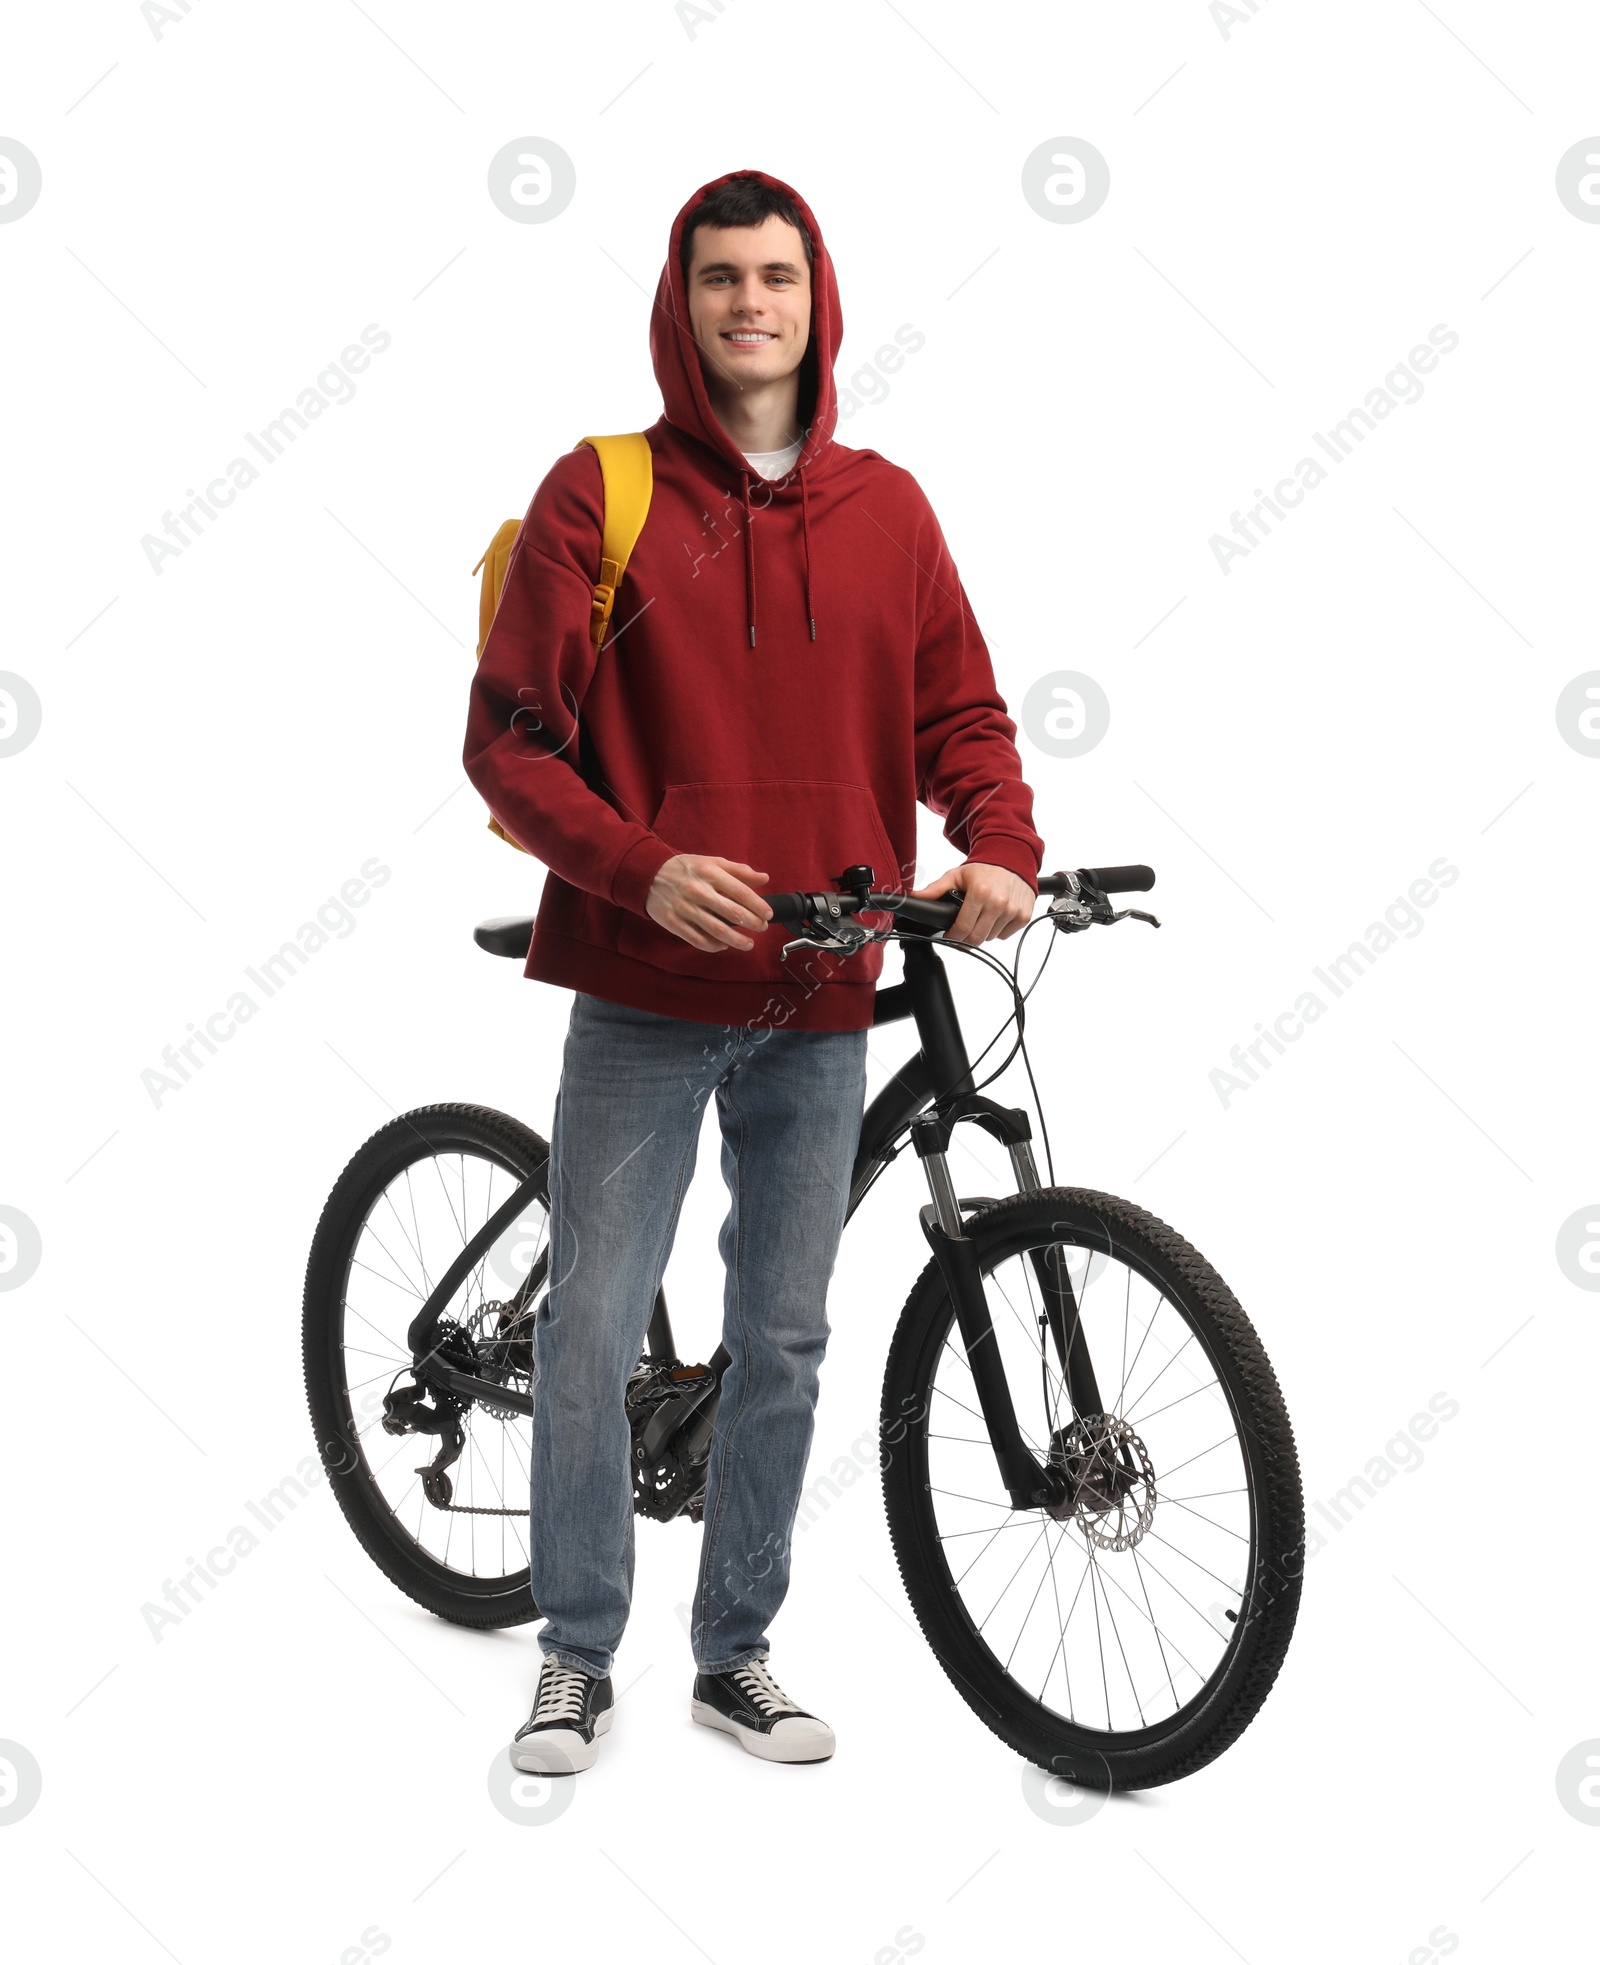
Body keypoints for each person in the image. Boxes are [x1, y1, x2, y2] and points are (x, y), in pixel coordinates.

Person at [462, 168, 1043, 1773]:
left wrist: (999, 839)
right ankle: (578, 1647)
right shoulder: (605, 489)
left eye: (777, 276)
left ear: (818, 296)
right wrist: (645, 867)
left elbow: (963, 718)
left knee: (780, 1338)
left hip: (831, 986)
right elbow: (510, 746)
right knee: (588, 1329)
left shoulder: (891, 510)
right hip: (647, 991)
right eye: (721, 277)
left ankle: (737, 1652)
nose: (750, 304)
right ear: (684, 298)